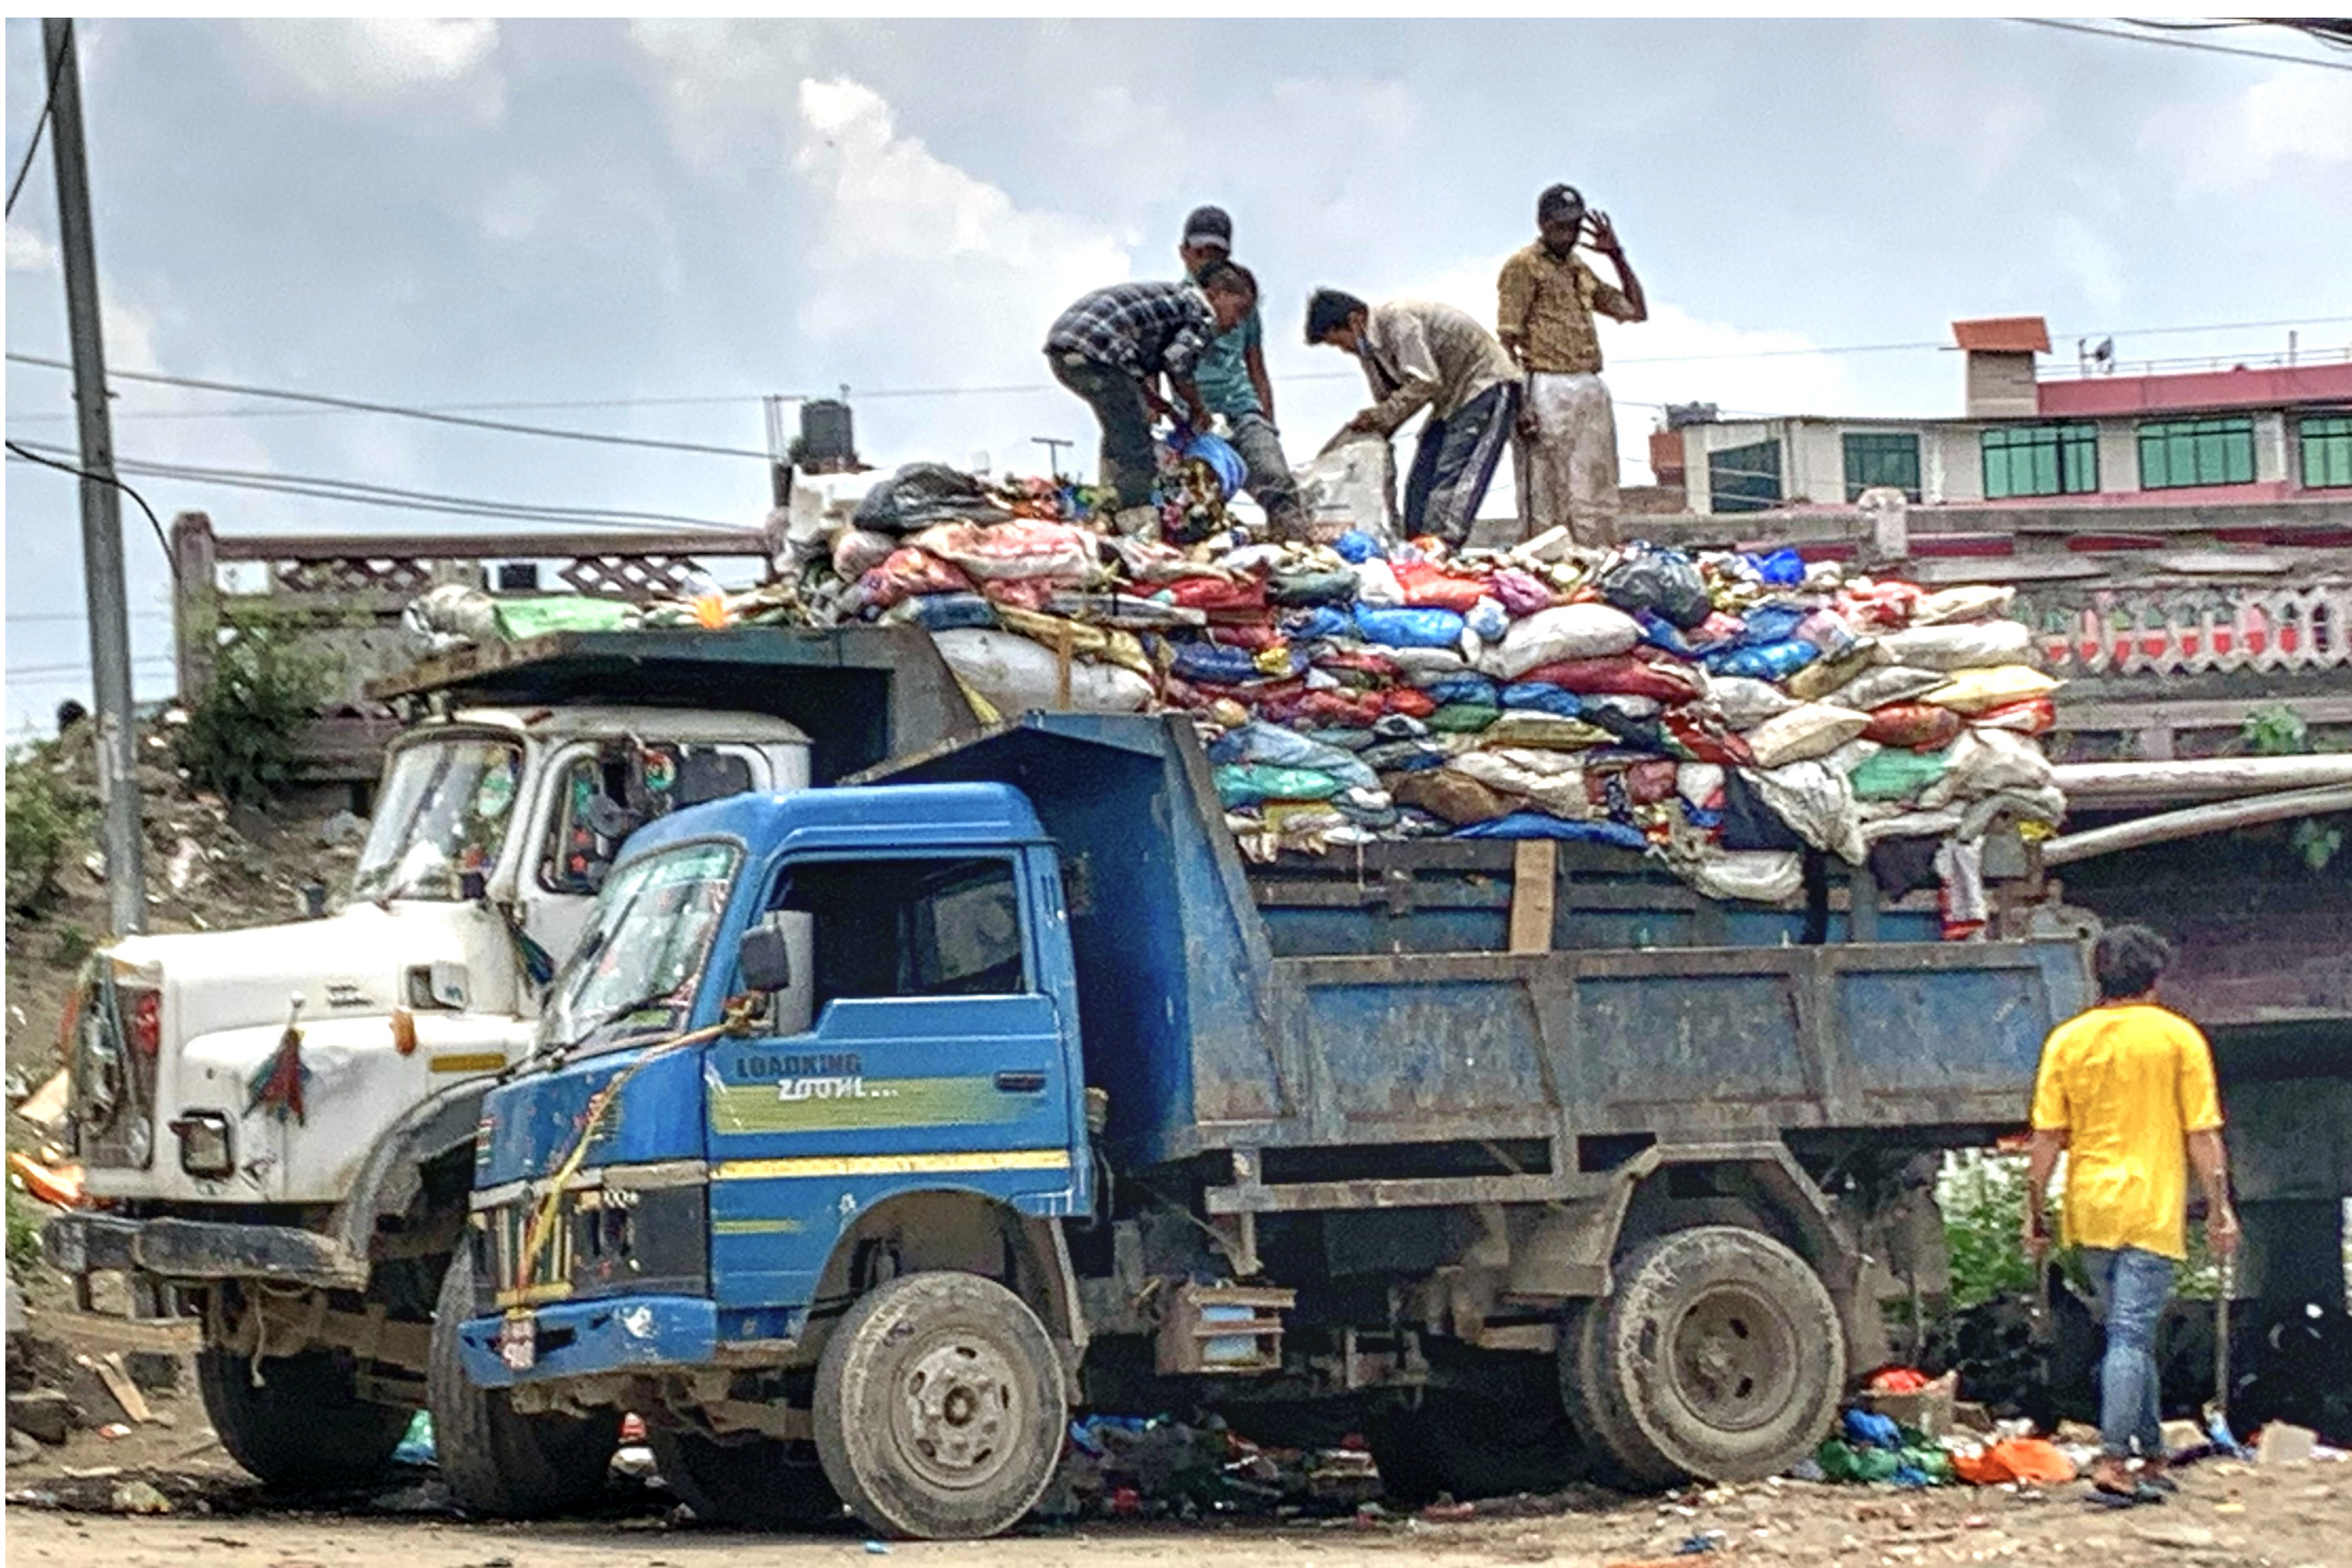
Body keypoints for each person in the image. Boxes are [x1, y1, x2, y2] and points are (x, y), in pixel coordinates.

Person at [2024, 923, 2238, 1507]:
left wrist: (2034, 1213)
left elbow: (2046, 1139)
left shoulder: (2068, 1041)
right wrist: (2220, 1210)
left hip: (2091, 1208)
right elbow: (2203, 1136)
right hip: (2150, 1209)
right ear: (2156, 976)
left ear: (2099, 974)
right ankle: (2116, 1459)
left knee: (2128, 1333)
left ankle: (2149, 1451)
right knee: (2130, 1334)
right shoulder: (2178, 1039)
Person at [1045, 264, 1257, 536]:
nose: (1237, 324)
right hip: (1098, 348)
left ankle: (1109, 501)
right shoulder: (1201, 313)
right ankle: (1138, 521)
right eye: (1238, 312)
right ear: (1216, 294)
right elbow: (1178, 361)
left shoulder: (1176, 302)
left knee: (1121, 427)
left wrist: (1160, 403)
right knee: (1135, 441)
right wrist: (1197, 407)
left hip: (1067, 349)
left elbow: (1143, 367)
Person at [1306, 288, 1521, 548]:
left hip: (1484, 385)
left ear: (1354, 321)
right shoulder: (1370, 352)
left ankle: (1441, 547)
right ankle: (1415, 545)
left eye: (1340, 342)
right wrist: (1362, 439)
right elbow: (1389, 401)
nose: (1344, 350)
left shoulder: (1399, 320)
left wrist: (1380, 417)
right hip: (1448, 401)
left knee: (1453, 475)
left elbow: (1424, 382)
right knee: (1421, 482)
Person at [1497, 184, 1648, 547]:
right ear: (1544, 224)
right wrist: (1521, 403)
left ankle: (1596, 557)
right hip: (1544, 381)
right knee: (1546, 487)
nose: (1569, 234)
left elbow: (1634, 311)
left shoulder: (1580, 270)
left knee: (1595, 484)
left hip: (1587, 382)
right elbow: (1506, 339)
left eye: (1575, 227)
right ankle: (1547, 560)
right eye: (1562, 226)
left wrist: (1617, 256)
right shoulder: (1523, 266)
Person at [1177, 206, 1305, 536]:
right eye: (1201, 252)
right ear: (1185, 253)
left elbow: (1256, 367)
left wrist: (1268, 423)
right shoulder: (1175, 301)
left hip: (1241, 406)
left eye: (1217, 253)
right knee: (1197, 496)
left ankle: (1296, 556)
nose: (1208, 260)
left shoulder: (1242, 300)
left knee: (1276, 481)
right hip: (1195, 415)